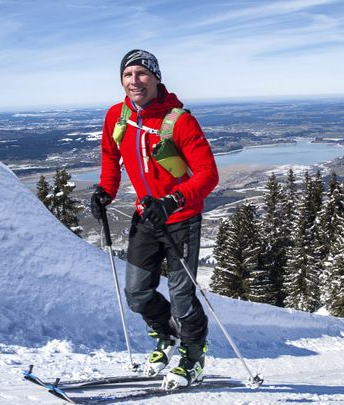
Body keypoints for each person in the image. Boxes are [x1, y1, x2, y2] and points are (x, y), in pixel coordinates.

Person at [90, 49, 219, 388]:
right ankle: (167, 334)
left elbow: (208, 174)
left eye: (142, 74)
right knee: (136, 294)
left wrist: (174, 199)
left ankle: (193, 355)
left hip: (181, 218)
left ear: (157, 78)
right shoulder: (116, 117)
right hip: (146, 217)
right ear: (122, 80)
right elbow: (109, 154)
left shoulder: (179, 120)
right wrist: (106, 190)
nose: (135, 81)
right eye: (128, 75)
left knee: (181, 297)